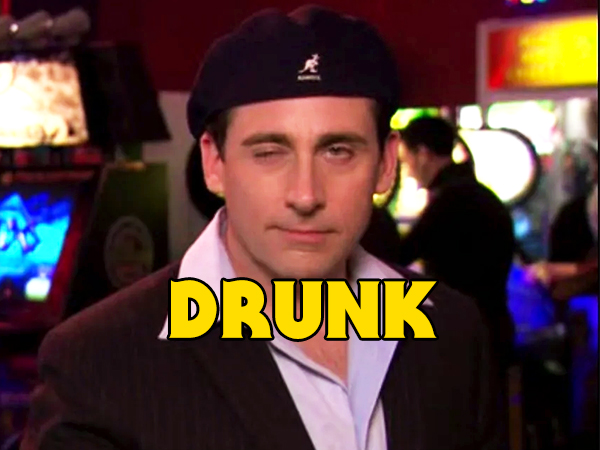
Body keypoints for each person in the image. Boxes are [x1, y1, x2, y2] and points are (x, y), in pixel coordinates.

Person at [21, 6, 503, 450]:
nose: (306, 195)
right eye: (270, 153)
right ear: (214, 163)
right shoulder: (98, 360)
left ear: (385, 165)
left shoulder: (453, 334)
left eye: (338, 151)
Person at [395, 117, 516, 369]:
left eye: (406, 161)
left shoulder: (450, 201)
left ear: (423, 154)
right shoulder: (478, 194)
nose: (408, 172)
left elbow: (399, 256)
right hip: (492, 328)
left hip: (463, 337)